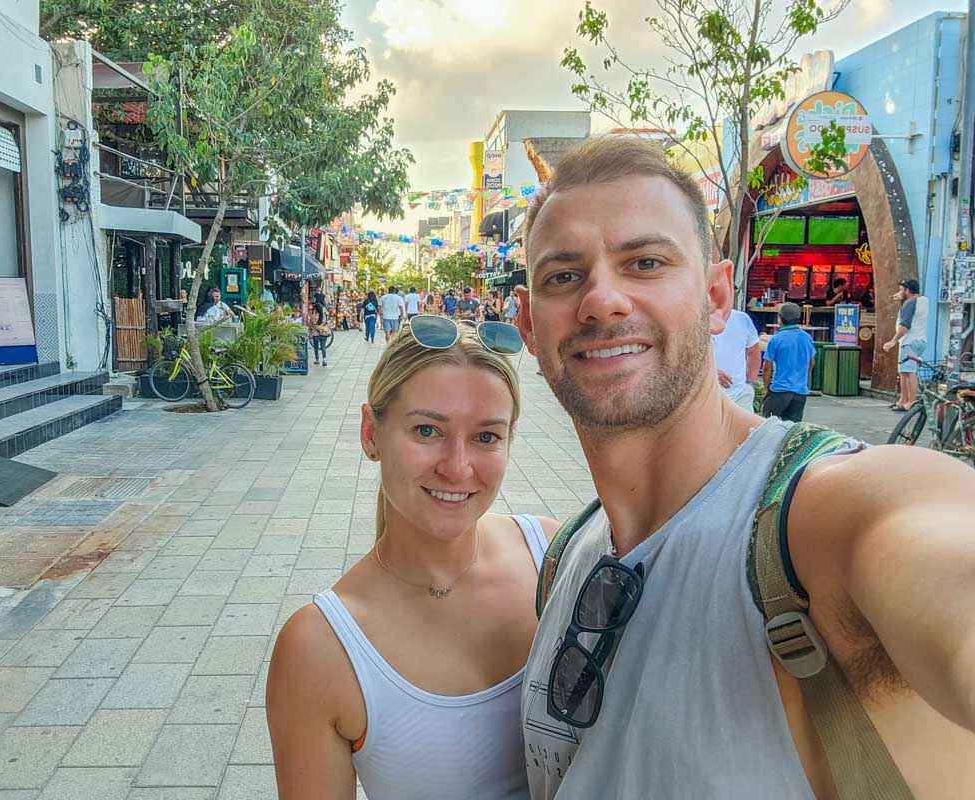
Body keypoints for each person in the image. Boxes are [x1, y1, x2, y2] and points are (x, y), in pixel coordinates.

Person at [516, 136, 975, 798]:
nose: (602, 300)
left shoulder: (822, 514)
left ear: (717, 297)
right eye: (564, 276)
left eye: (645, 263)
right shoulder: (569, 557)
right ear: (528, 325)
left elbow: (941, 560)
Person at [268, 317, 558, 799]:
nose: (457, 467)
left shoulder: (553, 556)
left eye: (486, 436)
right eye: (427, 430)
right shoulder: (320, 649)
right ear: (371, 434)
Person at [760, 303, 815, 422]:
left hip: (779, 390)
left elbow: (767, 367)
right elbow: (811, 362)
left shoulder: (776, 339)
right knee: (792, 427)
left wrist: (765, 388)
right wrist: (801, 378)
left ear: (779, 319)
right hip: (800, 392)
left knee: (766, 424)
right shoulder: (807, 338)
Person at [883, 278, 929, 411]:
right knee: (903, 371)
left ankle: (911, 402)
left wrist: (893, 341)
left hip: (909, 340)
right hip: (919, 340)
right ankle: (902, 400)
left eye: (902, 289)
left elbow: (905, 326)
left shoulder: (909, 303)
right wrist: (902, 299)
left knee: (909, 372)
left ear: (907, 290)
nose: (899, 292)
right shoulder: (924, 300)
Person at [711, 307, 761, 410]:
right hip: (706, 398)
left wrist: (751, 383)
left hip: (740, 397)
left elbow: (754, 352)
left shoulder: (742, 319)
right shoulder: (693, 319)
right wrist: (708, 372)